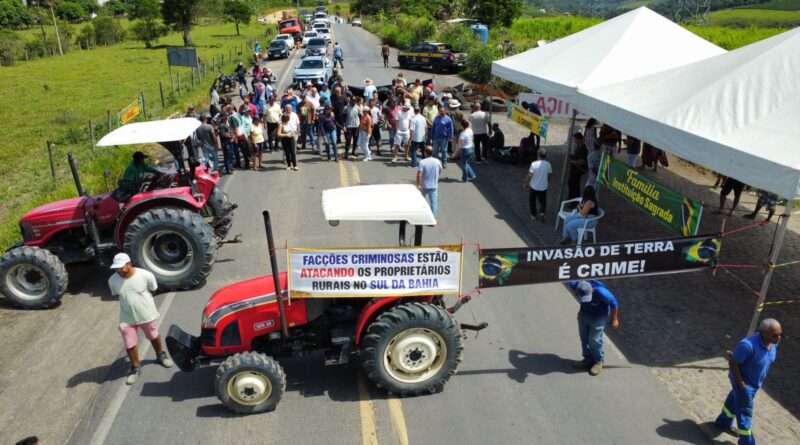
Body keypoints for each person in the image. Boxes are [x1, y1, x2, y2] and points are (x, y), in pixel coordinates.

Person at [108, 253, 174, 385]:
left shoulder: (145, 275)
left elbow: (153, 290)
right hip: (127, 317)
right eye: (116, 268)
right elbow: (118, 295)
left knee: (153, 335)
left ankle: (161, 355)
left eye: (121, 267)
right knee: (129, 343)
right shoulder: (112, 280)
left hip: (146, 314)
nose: (119, 270)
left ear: (129, 264)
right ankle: (135, 368)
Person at [715, 318, 781, 444]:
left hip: (754, 384)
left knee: (733, 402)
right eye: (776, 335)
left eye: (780, 334)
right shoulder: (747, 345)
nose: (779, 338)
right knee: (745, 416)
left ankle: (722, 422)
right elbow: (733, 364)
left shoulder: (773, 343)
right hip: (745, 386)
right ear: (764, 333)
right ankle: (747, 442)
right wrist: (742, 385)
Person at [568, 280, 620, 376]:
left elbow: (614, 303)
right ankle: (587, 359)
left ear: (592, 290)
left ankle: (598, 361)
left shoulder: (602, 292)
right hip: (584, 314)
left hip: (598, 317)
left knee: (594, 340)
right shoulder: (574, 284)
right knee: (584, 338)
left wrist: (614, 319)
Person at [522, 149, 552, 222]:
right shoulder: (548, 164)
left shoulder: (534, 164)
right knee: (542, 201)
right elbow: (549, 174)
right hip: (543, 186)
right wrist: (546, 180)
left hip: (534, 186)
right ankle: (542, 212)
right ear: (545, 156)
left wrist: (525, 183)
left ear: (538, 155)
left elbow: (529, 175)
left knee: (532, 201)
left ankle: (533, 214)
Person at [417, 145, 443, 215]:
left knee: (420, 200)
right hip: (434, 185)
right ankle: (432, 218)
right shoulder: (437, 161)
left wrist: (418, 185)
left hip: (424, 186)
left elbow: (419, 174)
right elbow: (440, 170)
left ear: (425, 153)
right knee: (433, 202)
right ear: (432, 153)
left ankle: (420, 214)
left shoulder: (422, 162)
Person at [567, 132, 589, 199]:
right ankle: (571, 199)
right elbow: (576, 156)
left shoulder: (583, 148)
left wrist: (571, 161)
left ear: (579, 139)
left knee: (575, 185)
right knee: (571, 183)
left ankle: (574, 200)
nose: (574, 141)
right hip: (574, 169)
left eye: (575, 139)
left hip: (578, 170)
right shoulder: (578, 146)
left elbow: (581, 162)